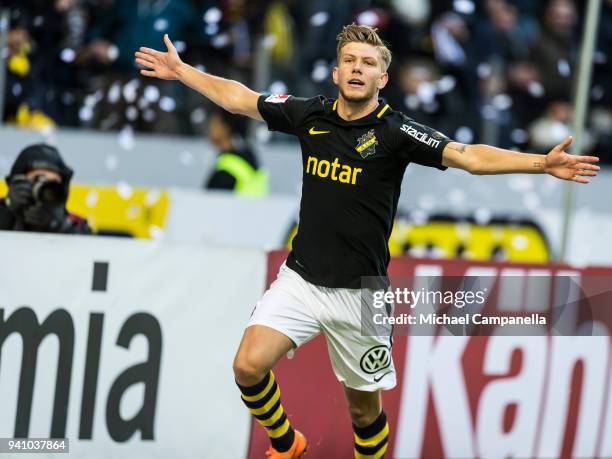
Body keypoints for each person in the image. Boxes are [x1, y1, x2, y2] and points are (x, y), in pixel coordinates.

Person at [135, 24, 600, 458]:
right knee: (247, 367)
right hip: (301, 280)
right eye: (350, 60)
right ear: (336, 72)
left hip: (361, 295)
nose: (358, 69)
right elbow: (242, 99)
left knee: (364, 413)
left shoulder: (396, 131)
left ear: (383, 78)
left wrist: (541, 163)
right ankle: (286, 442)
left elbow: (469, 156)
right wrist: (181, 72)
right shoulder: (309, 114)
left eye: (368, 63)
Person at [0, 144, 91, 234]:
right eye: (39, 178)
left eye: (53, 182)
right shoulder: (5, 209)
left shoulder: (75, 223)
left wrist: (58, 226)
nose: (46, 187)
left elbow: (86, 243)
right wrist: (7, 213)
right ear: (17, 182)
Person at [204, 108, 268, 196]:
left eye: (214, 123)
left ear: (225, 128)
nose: (209, 127)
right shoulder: (250, 157)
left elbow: (209, 205)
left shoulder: (225, 172)